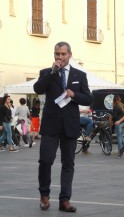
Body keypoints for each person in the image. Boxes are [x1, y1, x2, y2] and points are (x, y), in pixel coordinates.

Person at [33, 41, 92, 212]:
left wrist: (74, 95)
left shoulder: (79, 75)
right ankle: (44, 195)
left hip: (70, 125)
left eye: (63, 54)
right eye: (57, 54)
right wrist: (52, 72)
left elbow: (88, 99)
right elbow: (38, 88)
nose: (60, 57)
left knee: (68, 164)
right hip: (50, 125)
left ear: (69, 55)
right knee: (45, 160)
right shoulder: (46, 73)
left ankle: (64, 200)